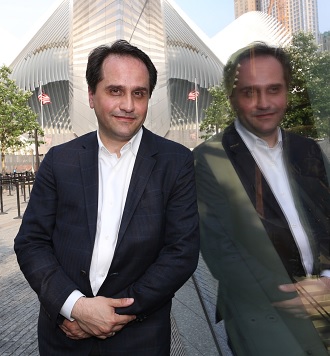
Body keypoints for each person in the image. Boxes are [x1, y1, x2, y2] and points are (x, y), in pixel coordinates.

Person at [14, 39, 200, 356]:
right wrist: (74, 306)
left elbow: (180, 253)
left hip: (140, 338)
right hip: (64, 336)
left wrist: (116, 313)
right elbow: (31, 241)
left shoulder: (177, 162)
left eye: (138, 93)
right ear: (91, 95)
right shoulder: (59, 160)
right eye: (115, 91)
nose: (127, 104)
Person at [194, 42, 330, 355]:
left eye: (274, 89)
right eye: (249, 92)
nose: (263, 102)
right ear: (232, 97)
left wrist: (325, 282)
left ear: (287, 91)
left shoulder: (306, 150)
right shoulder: (208, 159)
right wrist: (291, 296)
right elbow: (220, 248)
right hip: (261, 311)